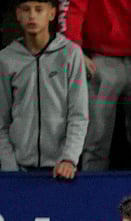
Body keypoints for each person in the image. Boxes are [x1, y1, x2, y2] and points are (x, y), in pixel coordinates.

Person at [59, 0, 131, 170]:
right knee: (96, 140)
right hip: (100, 61)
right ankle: (91, 192)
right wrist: (74, 50)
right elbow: (73, 8)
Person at [0, 0, 88, 178]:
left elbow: (78, 115)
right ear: (18, 14)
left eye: (39, 9)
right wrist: (9, 167)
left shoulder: (71, 54)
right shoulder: (6, 58)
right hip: (18, 170)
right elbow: (1, 121)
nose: (32, 15)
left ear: (52, 13)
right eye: (26, 10)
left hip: (61, 170)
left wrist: (69, 159)